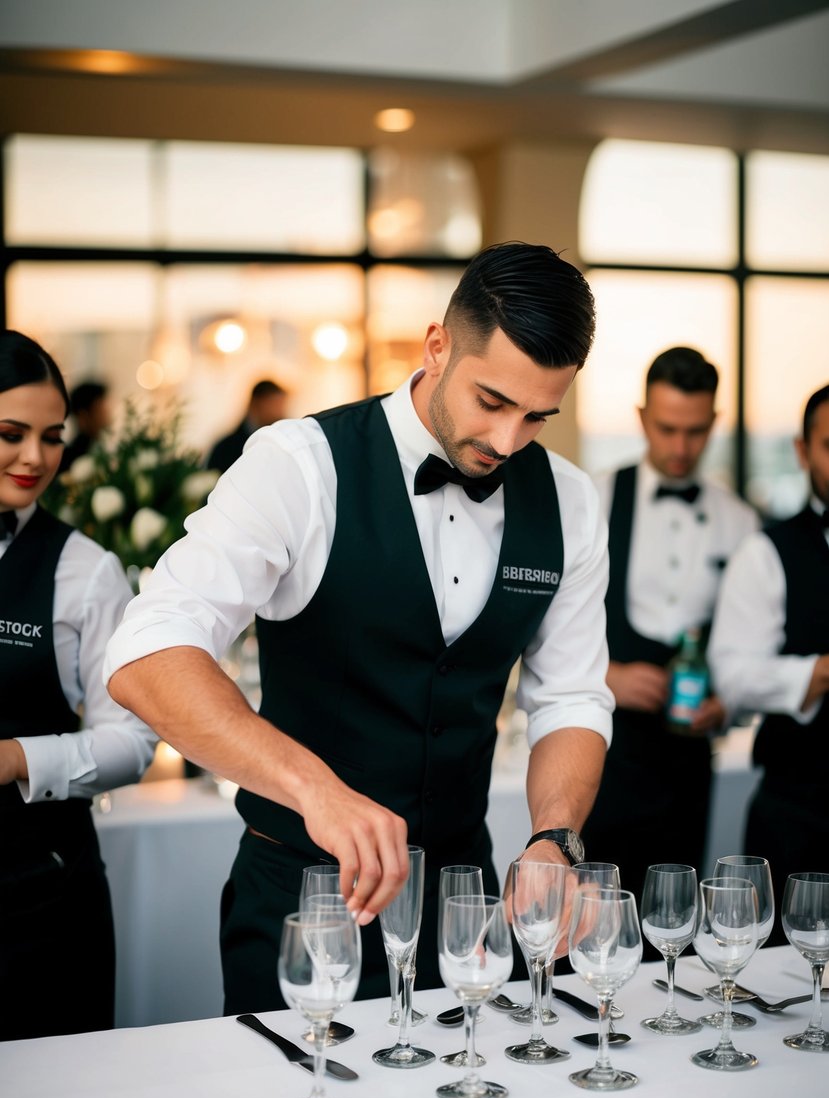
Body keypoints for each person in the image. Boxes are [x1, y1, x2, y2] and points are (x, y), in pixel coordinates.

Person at [105, 240, 614, 1014]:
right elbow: (148, 652)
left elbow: (573, 697)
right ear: (436, 346)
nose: (507, 441)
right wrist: (315, 789)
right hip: (304, 903)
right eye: (491, 402)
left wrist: (555, 837)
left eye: (537, 415)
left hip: (463, 912)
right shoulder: (298, 466)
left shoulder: (569, 502)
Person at [0, 331, 157, 1041]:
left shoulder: (85, 571)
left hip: (40, 899)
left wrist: (18, 760)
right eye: (11, 434)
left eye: (51, 436)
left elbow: (132, 741)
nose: (36, 457)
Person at [584, 347, 758, 913]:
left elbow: (753, 645)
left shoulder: (741, 522)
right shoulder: (595, 501)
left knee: (673, 918)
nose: (682, 447)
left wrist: (726, 703)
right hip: (602, 753)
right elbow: (539, 628)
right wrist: (606, 674)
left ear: (714, 424)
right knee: (594, 918)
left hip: (687, 763)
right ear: (641, 418)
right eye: (667, 429)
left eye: (696, 431)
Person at [708, 383, 829, 944]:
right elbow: (732, 674)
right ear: (803, 451)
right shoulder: (766, 552)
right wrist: (820, 672)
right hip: (800, 815)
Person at [206, 378, 288, 472]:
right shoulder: (226, 449)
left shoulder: (280, 443)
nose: (281, 413)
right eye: (275, 405)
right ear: (257, 403)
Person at [59, 378, 112, 471]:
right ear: (83, 416)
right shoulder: (70, 458)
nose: (107, 414)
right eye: (100, 410)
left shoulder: (107, 448)